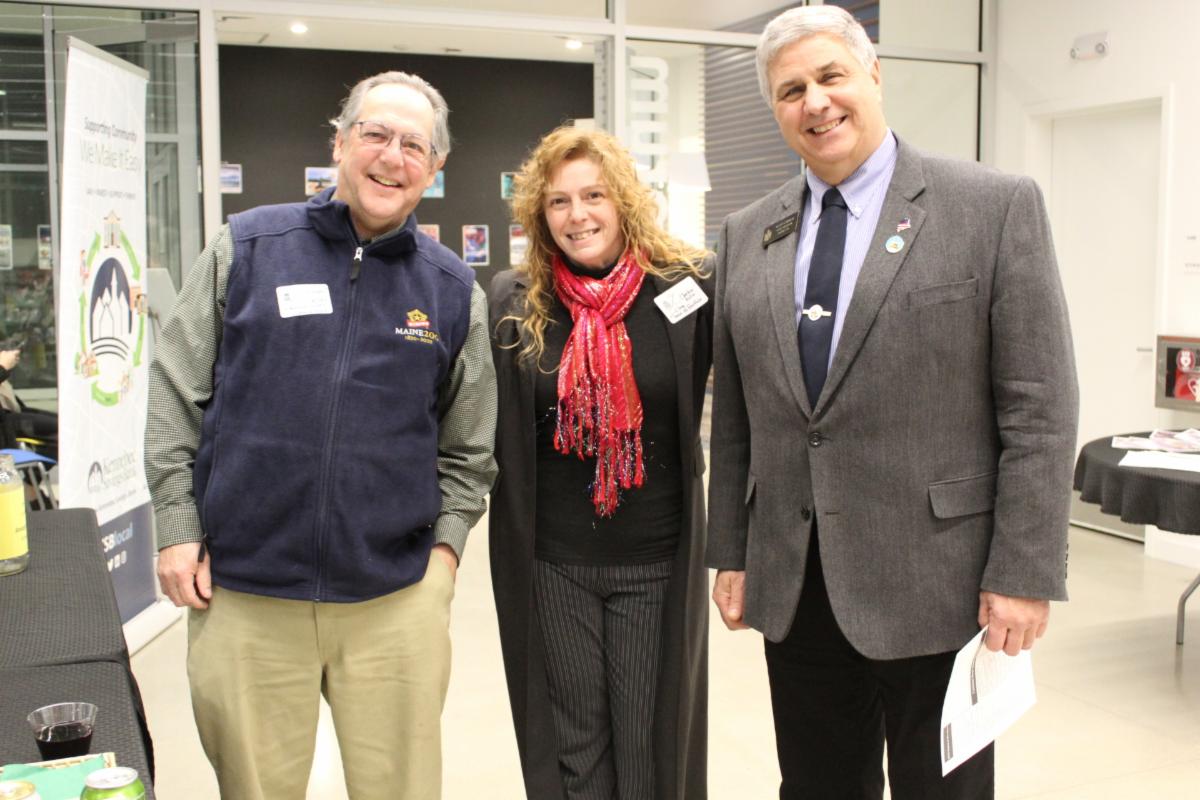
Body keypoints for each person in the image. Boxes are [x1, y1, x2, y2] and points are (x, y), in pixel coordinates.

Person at [705, 7, 1079, 798]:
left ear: (873, 74)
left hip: (941, 582)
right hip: (800, 581)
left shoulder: (991, 206)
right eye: (791, 91)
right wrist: (732, 551)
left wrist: (1024, 570)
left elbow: (1039, 409)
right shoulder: (747, 233)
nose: (815, 102)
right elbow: (738, 416)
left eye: (831, 76)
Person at [145, 70, 497, 800]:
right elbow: (176, 390)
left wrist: (444, 556)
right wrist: (177, 527)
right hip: (245, 593)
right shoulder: (248, 247)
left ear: (434, 167)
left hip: (394, 599)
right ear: (339, 143)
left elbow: (470, 448)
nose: (392, 157)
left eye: (413, 145)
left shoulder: (451, 289)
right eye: (375, 134)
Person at [489, 126, 711, 800]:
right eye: (558, 201)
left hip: (655, 561)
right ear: (539, 213)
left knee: (648, 746)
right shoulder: (514, 299)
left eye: (594, 196)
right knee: (575, 749)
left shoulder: (689, 287)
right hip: (554, 564)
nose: (577, 215)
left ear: (624, 200)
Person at [0, 346, 58, 460]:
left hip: (8, 418)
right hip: (6, 429)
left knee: (64, 425)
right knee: (63, 431)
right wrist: (3, 367)